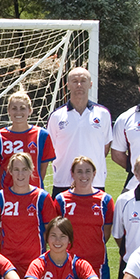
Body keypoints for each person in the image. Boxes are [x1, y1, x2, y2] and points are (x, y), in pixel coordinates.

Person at [54, 156, 114, 279]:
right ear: (72, 174)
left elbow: (106, 233)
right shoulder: (61, 200)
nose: (84, 175)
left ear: (94, 173)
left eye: (88, 171)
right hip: (70, 265)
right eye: (79, 171)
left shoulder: (105, 200)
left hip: (97, 264)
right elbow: (56, 233)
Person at [0, 152, 59, 279]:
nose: (20, 174)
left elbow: (52, 231)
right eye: (16, 169)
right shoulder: (1, 197)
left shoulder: (41, 197)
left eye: (24, 169)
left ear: (31, 170)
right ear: (10, 171)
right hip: (8, 260)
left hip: (35, 260)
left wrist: (34, 239)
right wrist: (6, 238)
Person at [46, 67, 112, 197]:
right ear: (68, 85)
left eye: (83, 80)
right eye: (75, 81)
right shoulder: (56, 116)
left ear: (90, 84)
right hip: (63, 182)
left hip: (95, 182)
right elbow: (50, 149)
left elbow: (105, 147)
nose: (79, 84)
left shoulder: (103, 114)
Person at [0, 90, 54, 190]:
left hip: (34, 193)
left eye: (22, 108)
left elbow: (42, 169)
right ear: (8, 110)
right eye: (14, 108)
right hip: (7, 192)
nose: (18, 112)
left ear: (30, 110)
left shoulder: (41, 135)